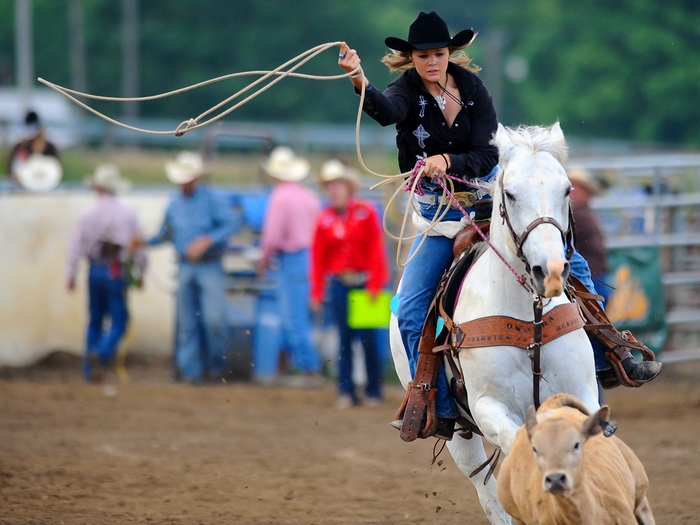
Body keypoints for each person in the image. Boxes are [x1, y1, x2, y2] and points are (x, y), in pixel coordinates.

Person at [338, 11, 660, 440]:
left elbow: (489, 156)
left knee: (571, 265)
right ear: (410, 58)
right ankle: (433, 400)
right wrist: (359, 80)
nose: (431, 61)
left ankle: (609, 351)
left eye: (438, 53)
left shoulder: (473, 89)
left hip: (493, 209)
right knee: (412, 308)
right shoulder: (405, 91)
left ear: (450, 53)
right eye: (423, 55)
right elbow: (386, 110)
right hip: (440, 221)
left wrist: (448, 161)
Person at [147, 151, 241, 384]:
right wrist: (144, 242)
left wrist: (208, 240)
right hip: (186, 266)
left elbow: (232, 223)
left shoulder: (213, 199)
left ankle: (216, 367)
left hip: (210, 265)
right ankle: (191, 372)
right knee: (186, 323)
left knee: (214, 320)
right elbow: (165, 233)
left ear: (196, 178)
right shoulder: (174, 204)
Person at [311, 159, 390, 408]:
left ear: (347, 187)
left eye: (337, 185)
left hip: (364, 283)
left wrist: (376, 284)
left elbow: (377, 251)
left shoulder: (365, 213)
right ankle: (347, 390)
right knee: (343, 340)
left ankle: (373, 389)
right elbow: (318, 259)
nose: (333, 190)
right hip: (339, 284)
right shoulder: (324, 219)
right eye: (330, 186)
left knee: (368, 339)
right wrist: (316, 290)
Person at [66, 164, 147, 382]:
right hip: (116, 271)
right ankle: (101, 353)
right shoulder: (128, 213)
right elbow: (138, 247)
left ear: (98, 189)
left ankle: (89, 368)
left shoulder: (87, 213)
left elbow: (75, 246)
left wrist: (70, 274)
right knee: (120, 320)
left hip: (95, 269)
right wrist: (141, 273)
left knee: (95, 320)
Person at [257, 146, 323, 385]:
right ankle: (299, 366)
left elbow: (272, 237)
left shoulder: (279, 197)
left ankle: (309, 367)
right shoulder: (310, 196)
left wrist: (263, 261)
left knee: (292, 317)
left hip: (292, 259)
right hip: (311, 258)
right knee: (299, 315)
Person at [568, 167, 611, 303]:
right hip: (595, 274)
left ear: (586, 193)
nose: (571, 192)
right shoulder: (584, 213)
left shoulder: (579, 216)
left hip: (589, 277)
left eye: (576, 188)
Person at [6, 110, 62, 190]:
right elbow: (11, 172)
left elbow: (56, 172)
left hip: (47, 190)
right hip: (22, 190)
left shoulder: (50, 148)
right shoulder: (20, 148)